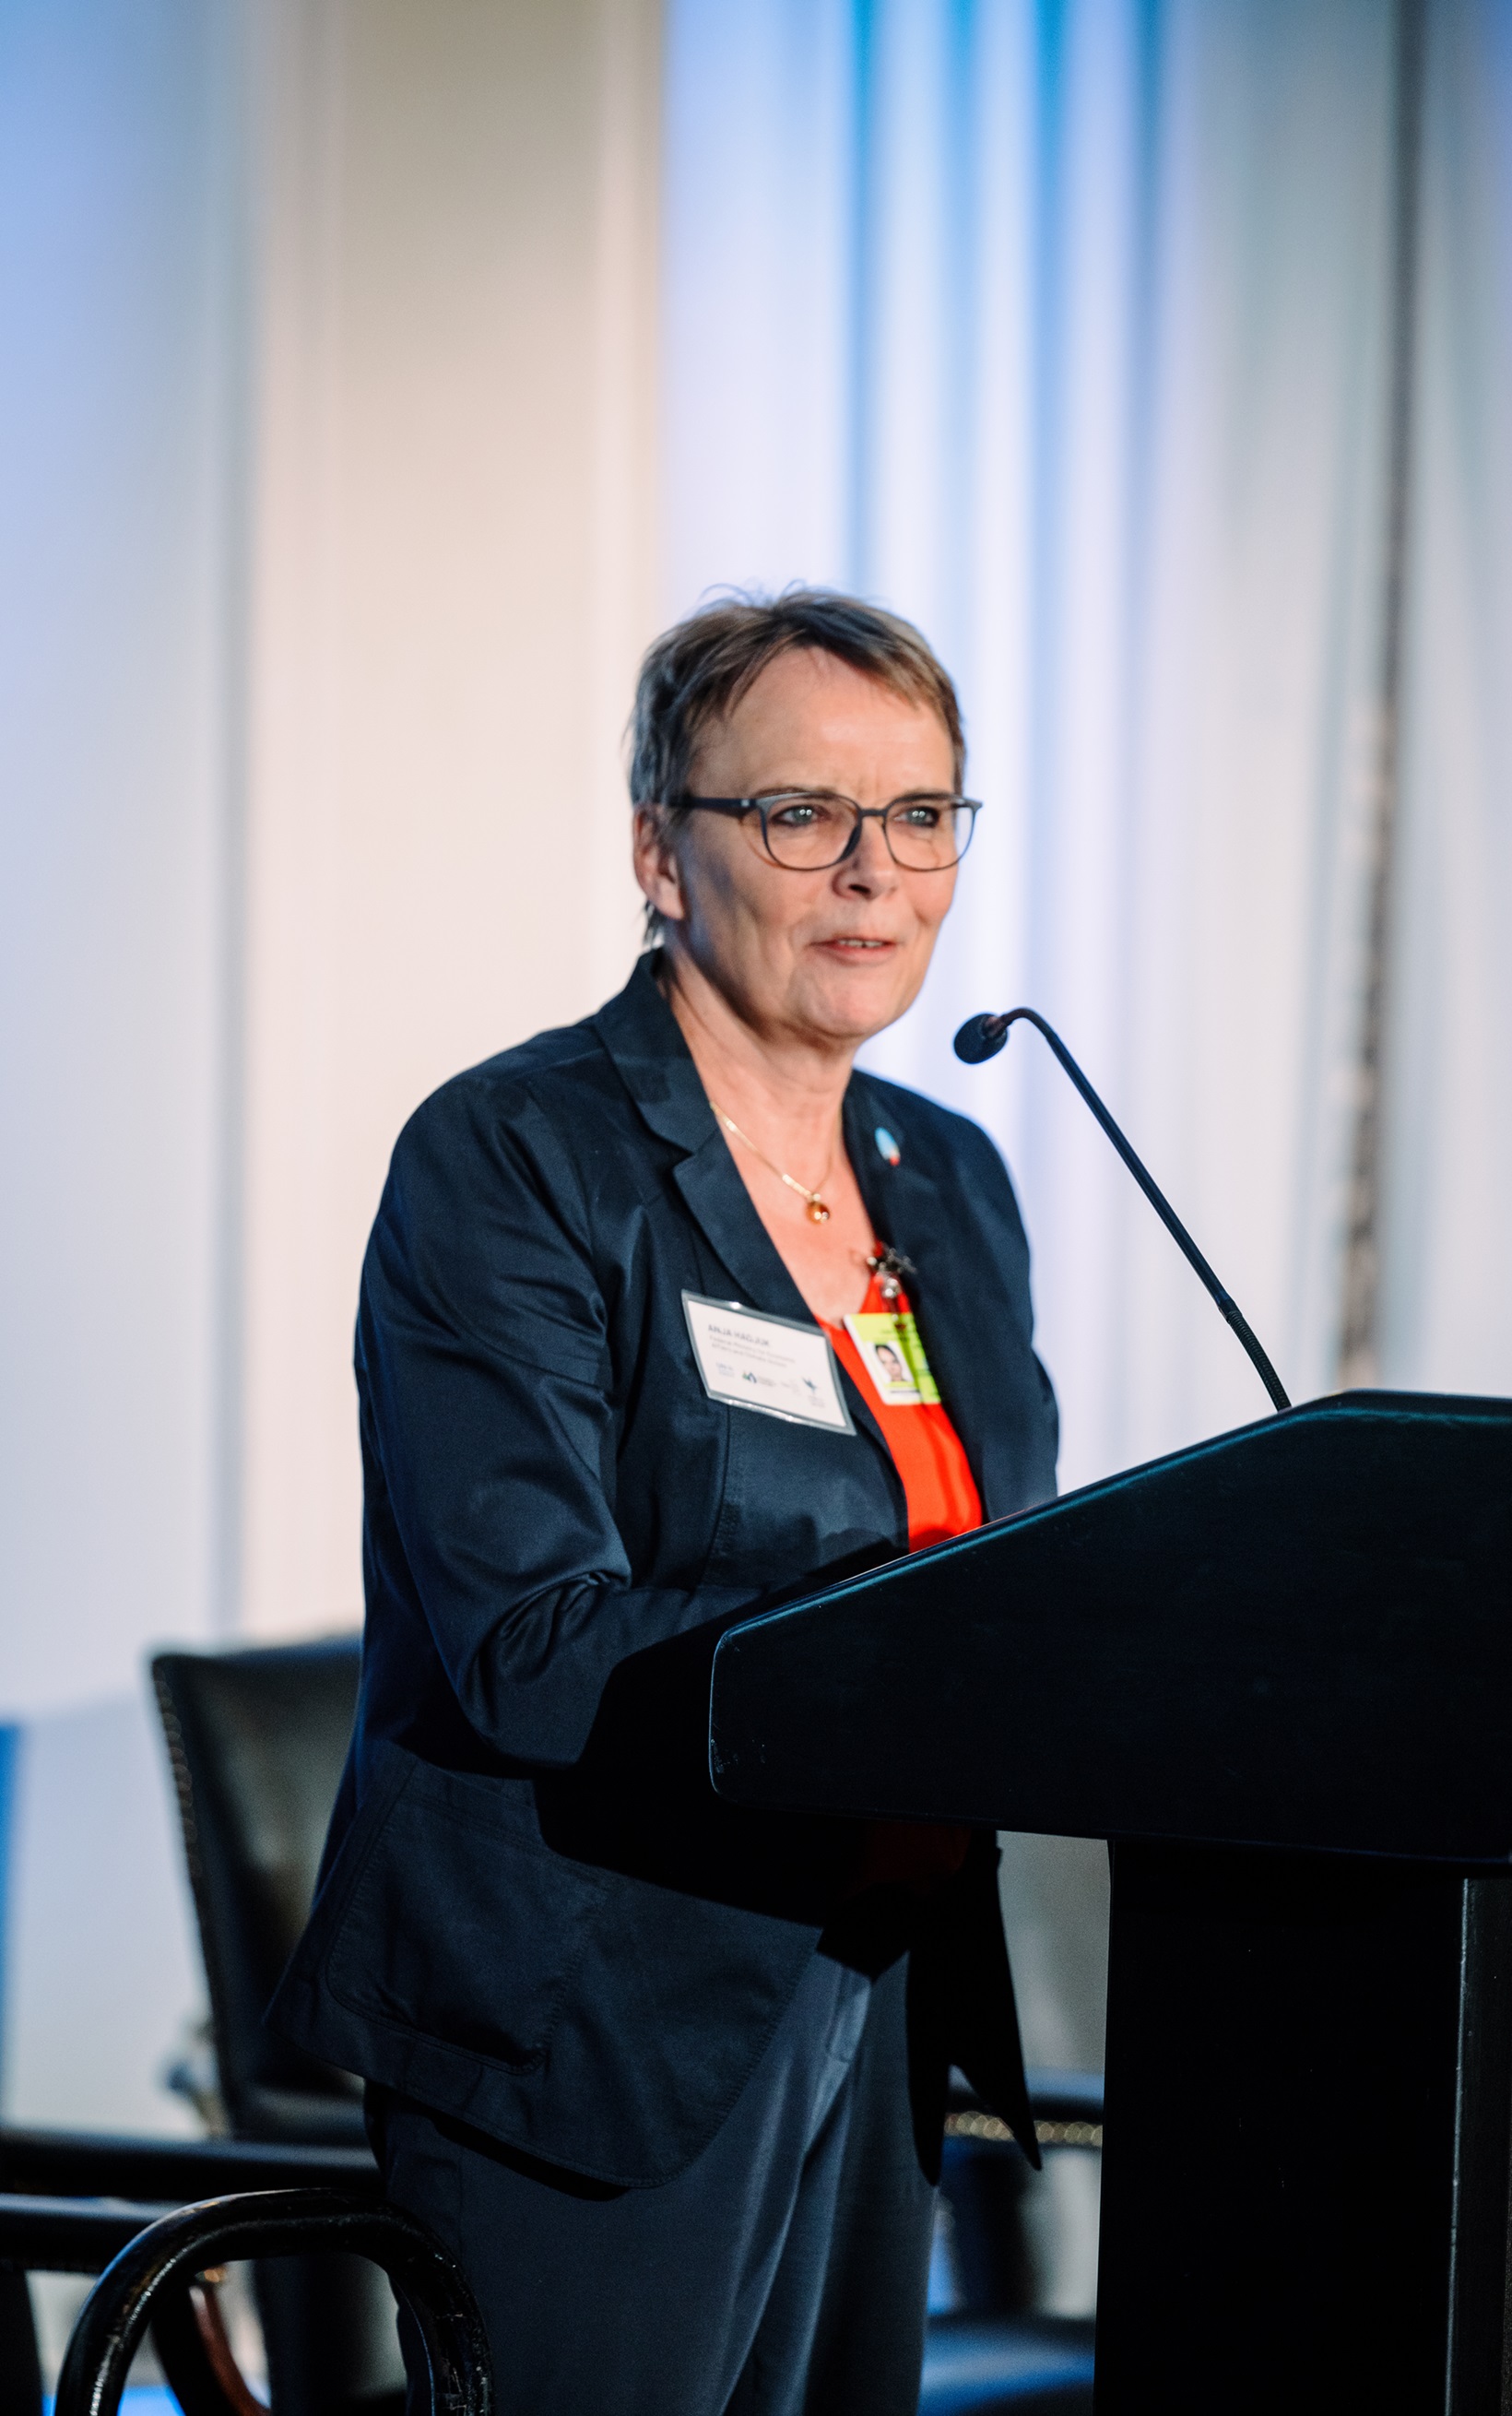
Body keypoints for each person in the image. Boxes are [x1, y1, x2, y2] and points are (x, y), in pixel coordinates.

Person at [272, 591, 1059, 2416]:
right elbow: (529, 1642)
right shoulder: (517, 1153)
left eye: (920, 814)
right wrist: (917, 1671)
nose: (872, 871)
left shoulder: (945, 1173)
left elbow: (1002, 1563)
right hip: (592, 2007)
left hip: (876, 1987)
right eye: (799, 812)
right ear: (658, 847)